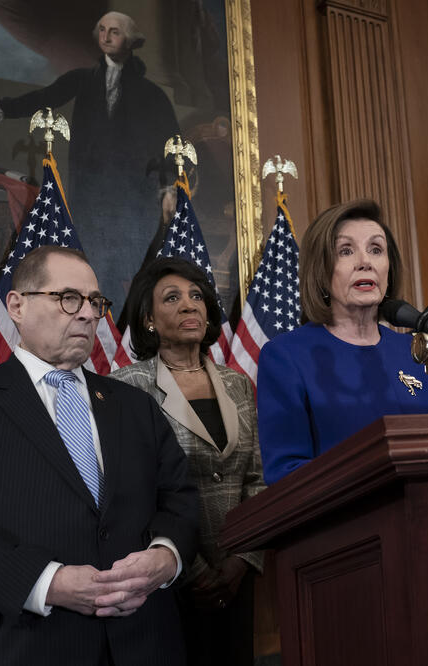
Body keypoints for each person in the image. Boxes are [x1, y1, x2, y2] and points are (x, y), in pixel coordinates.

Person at [0, 246, 198, 666]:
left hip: (142, 641)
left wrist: (165, 556)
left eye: (95, 302)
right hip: (16, 644)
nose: (87, 314)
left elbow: (181, 499)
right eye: (68, 298)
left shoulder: (135, 405)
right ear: (17, 306)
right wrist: (49, 582)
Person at [0, 11, 179, 315]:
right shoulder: (82, 79)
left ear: (131, 40)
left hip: (133, 200)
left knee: (134, 276)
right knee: (94, 270)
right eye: (102, 30)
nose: (106, 36)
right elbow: (42, 98)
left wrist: (168, 189)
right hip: (90, 197)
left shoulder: (152, 94)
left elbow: (170, 144)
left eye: (115, 31)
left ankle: (127, 334)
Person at [110, 257, 265, 665]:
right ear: (148, 319)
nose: (188, 305)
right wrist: (190, 568)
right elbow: (135, 492)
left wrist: (243, 559)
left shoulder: (237, 383)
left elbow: (256, 478)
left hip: (236, 574)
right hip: (170, 577)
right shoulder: (127, 387)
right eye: (171, 298)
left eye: (196, 296)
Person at [257, 199, 428, 484]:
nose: (365, 262)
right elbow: (285, 473)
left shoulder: (417, 352)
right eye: (346, 251)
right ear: (321, 271)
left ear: (389, 268)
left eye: (376, 249)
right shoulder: (286, 356)